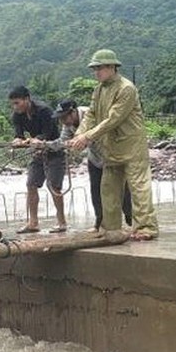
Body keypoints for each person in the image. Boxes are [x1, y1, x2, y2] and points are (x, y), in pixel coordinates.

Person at [69, 49, 159, 241]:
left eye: (99, 68)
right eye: (94, 69)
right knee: (108, 187)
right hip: (111, 146)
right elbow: (92, 115)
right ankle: (110, 228)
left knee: (138, 186)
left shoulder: (126, 88)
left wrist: (87, 137)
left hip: (131, 145)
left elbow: (113, 119)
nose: (96, 72)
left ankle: (145, 227)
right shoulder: (98, 89)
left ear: (112, 67)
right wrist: (79, 134)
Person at [54, 99, 132, 232]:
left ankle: (131, 220)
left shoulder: (90, 114)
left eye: (65, 117)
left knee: (122, 189)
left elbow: (104, 131)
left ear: (73, 112)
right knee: (95, 191)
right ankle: (99, 222)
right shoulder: (67, 124)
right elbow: (63, 141)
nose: (63, 121)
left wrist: (84, 139)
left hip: (112, 155)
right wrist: (47, 145)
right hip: (95, 157)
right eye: (60, 119)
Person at [9, 86, 67, 234]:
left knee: (54, 186)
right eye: (13, 104)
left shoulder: (44, 111)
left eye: (17, 103)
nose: (15, 107)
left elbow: (49, 133)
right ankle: (33, 222)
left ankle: (61, 222)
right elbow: (19, 135)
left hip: (54, 150)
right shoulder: (17, 115)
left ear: (27, 99)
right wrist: (17, 141)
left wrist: (35, 140)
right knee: (31, 184)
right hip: (37, 152)